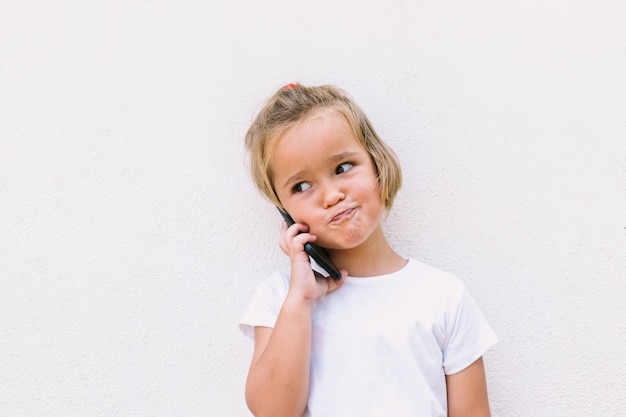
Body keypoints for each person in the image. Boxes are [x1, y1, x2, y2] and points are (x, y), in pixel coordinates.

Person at [239, 83, 498, 417]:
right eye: (301, 186)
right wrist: (300, 301)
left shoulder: (445, 297)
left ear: (377, 162)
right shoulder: (280, 299)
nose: (331, 196)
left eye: (343, 167)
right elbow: (271, 411)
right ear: (284, 212)